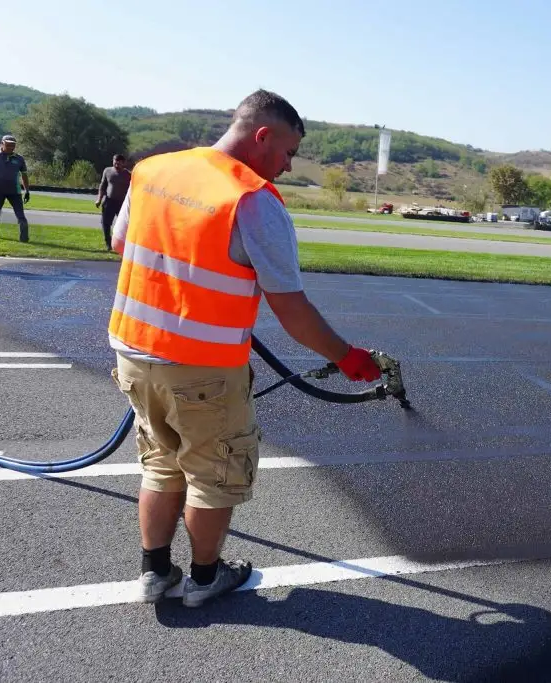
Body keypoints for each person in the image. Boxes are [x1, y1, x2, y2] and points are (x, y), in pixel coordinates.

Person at [109, 89, 383, 608]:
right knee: (214, 475)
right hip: (202, 367)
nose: (286, 165)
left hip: (133, 351)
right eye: (287, 152)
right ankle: (206, 578)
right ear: (263, 136)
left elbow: (123, 244)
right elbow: (292, 310)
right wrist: (347, 356)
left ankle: (154, 573)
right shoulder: (251, 199)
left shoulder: (153, 170)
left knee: (161, 464)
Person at [0, 135, 30, 242]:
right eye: (8, 145)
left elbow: (24, 175)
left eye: (13, 145)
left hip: (15, 192)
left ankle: (24, 238)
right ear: (2, 143)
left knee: (20, 216)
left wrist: (27, 191)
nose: (11, 147)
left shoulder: (19, 158)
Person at [95, 154, 131, 251]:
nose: (116, 165)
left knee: (125, 224)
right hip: (109, 201)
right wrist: (99, 199)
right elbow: (102, 186)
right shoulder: (107, 171)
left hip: (122, 204)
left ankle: (124, 244)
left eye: (119, 163)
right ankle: (108, 244)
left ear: (123, 163)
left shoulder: (128, 175)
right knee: (105, 223)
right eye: (115, 162)